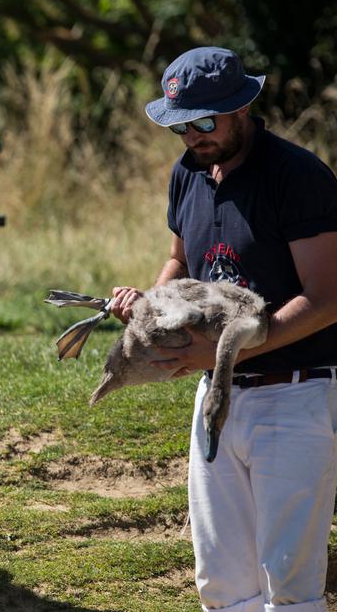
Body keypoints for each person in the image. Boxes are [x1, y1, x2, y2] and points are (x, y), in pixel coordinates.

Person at [109, 46, 337, 612]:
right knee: (222, 584)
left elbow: (328, 297)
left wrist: (224, 350)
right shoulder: (188, 173)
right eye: (180, 126)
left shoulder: (297, 175)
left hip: (296, 394)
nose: (192, 137)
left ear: (242, 108)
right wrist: (150, 301)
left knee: (289, 588)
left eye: (204, 123)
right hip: (216, 397)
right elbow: (181, 263)